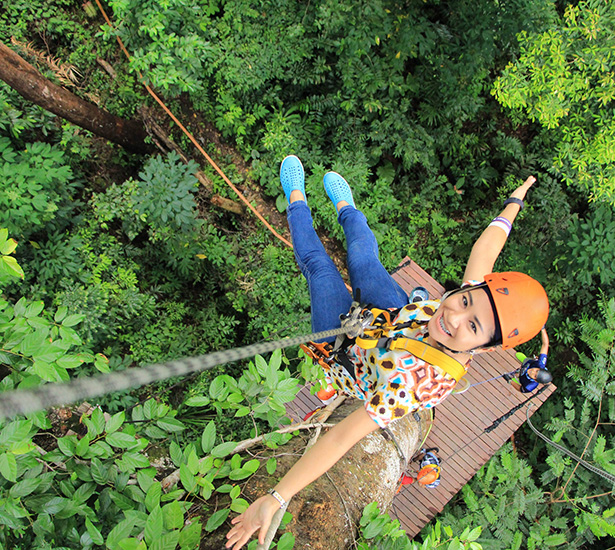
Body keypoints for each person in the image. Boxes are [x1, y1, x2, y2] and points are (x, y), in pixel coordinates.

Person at [225, 156, 549, 549]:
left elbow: (341, 439)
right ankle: (347, 209)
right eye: (464, 301)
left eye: (474, 327)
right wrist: (515, 201)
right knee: (363, 255)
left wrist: (276, 498)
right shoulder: (467, 305)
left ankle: (295, 198)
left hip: (345, 348)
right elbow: (488, 247)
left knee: (320, 268)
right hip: (395, 314)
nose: (456, 316)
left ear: (486, 346)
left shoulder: (412, 385)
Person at [506, 327, 552, 393]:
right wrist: (542, 328)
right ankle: (523, 361)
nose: (533, 371)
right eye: (536, 370)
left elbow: (520, 389)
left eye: (535, 375)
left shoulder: (529, 386)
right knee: (526, 361)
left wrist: (510, 381)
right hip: (529, 363)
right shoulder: (541, 363)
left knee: (520, 375)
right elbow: (545, 345)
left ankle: (516, 374)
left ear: (536, 380)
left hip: (522, 378)